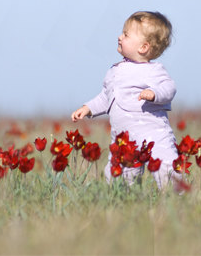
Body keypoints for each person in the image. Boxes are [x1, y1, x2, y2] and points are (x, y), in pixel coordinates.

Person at [71, 11, 180, 189]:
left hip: (154, 134)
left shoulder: (154, 70)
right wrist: (88, 108)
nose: (119, 37)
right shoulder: (115, 70)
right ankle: (120, 201)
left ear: (143, 47)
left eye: (126, 34)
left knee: (165, 167)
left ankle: (175, 199)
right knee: (118, 175)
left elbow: (169, 88)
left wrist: (154, 93)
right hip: (123, 139)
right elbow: (107, 97)